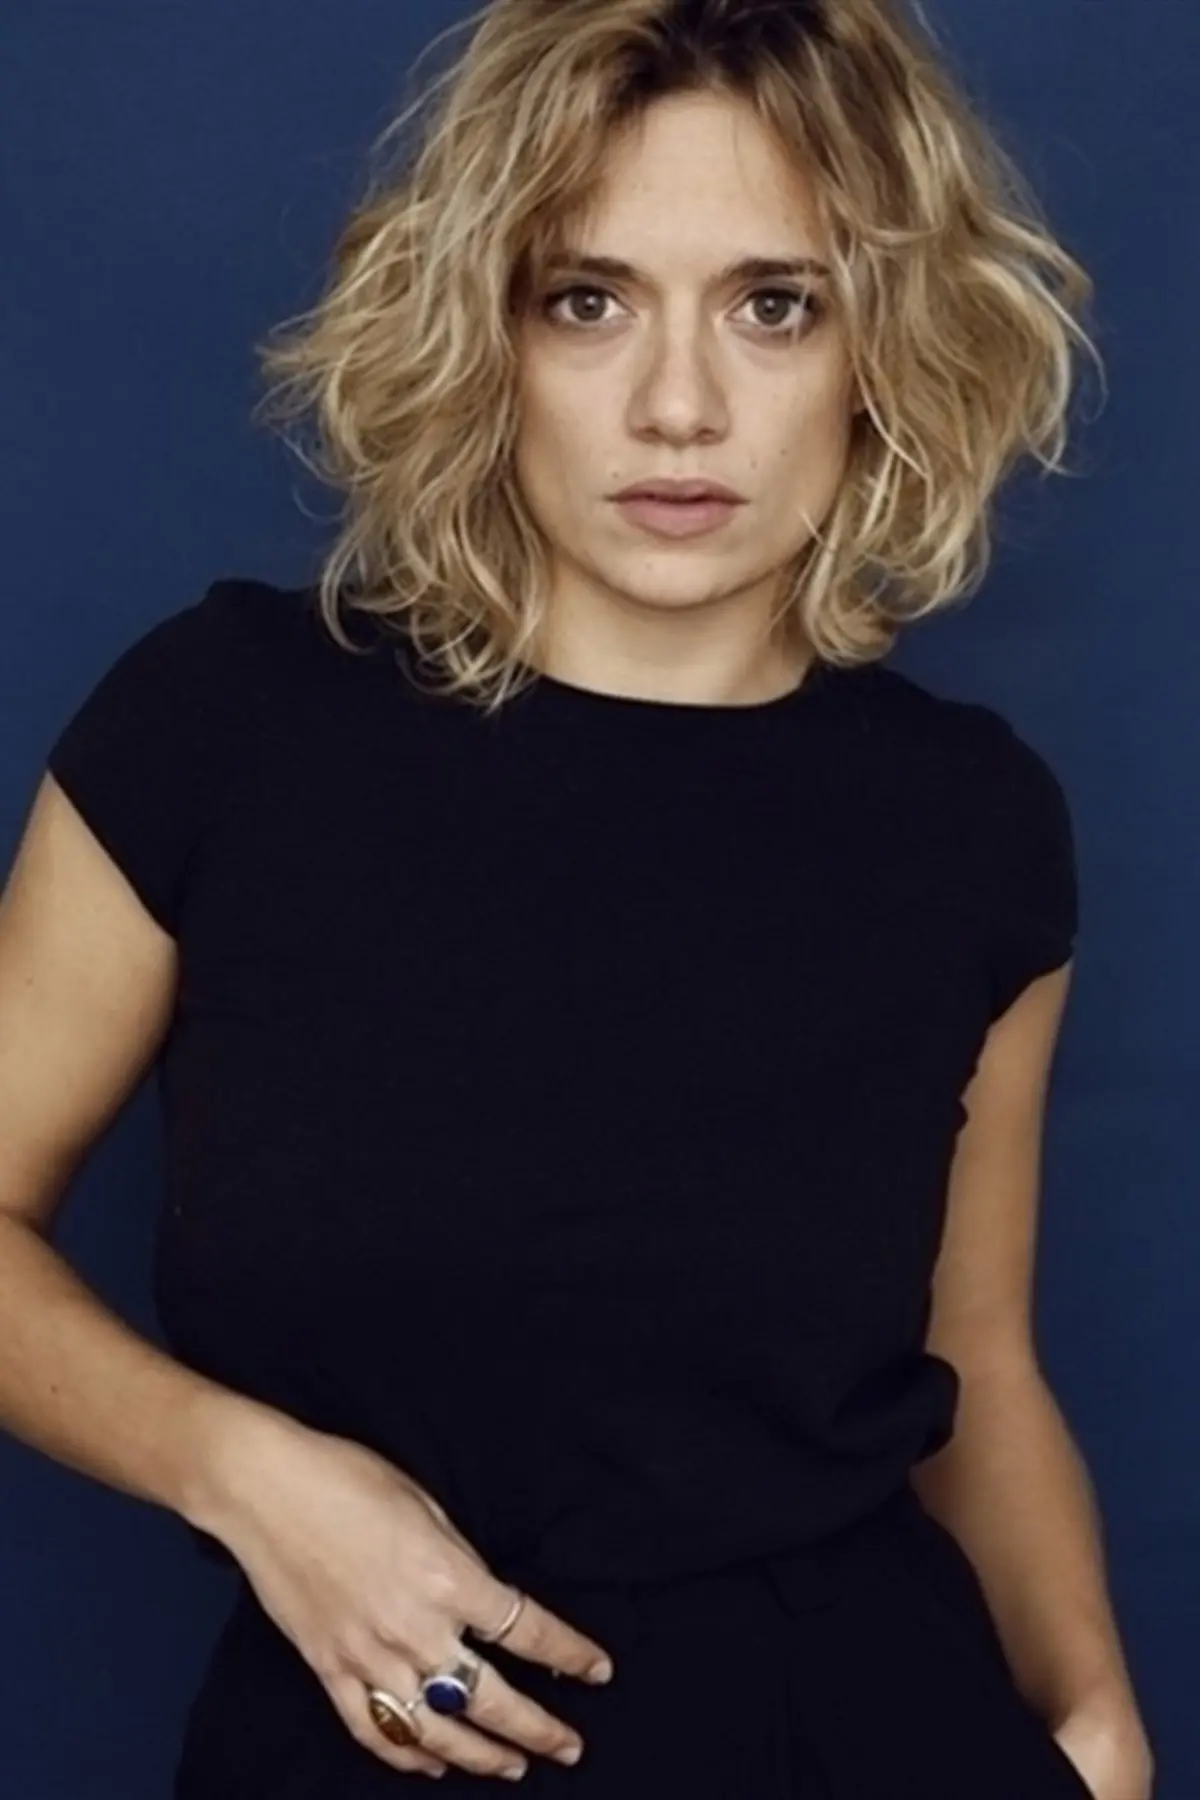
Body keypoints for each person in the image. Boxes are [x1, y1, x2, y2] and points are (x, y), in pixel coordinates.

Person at [0, 1, 1155, 1796]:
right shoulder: (222, 728)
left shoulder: (971, 822)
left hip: (871, 1730)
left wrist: (1096, 1719)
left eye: (776, 305)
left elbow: (972, 1361)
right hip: (379, 1747)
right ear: (488, 330)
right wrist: (242, 1475)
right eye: (588, 299)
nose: (679, 405)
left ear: (882, 348)